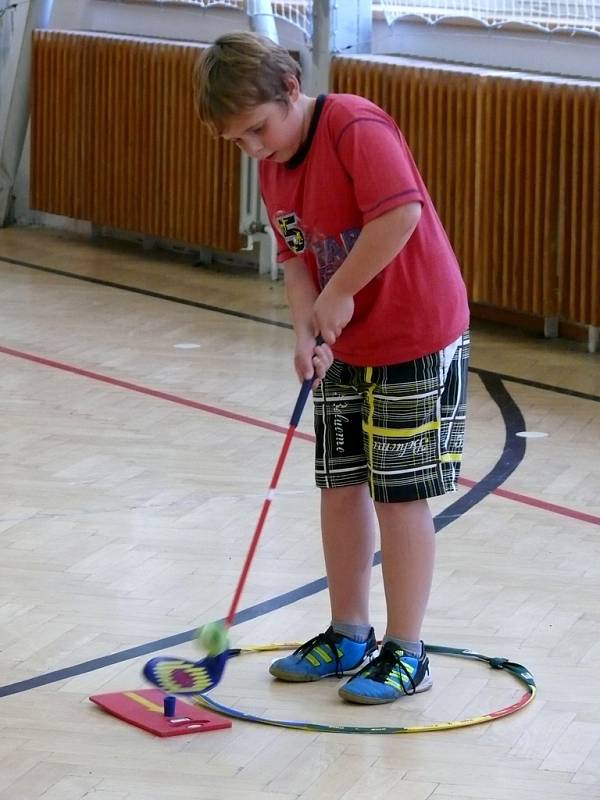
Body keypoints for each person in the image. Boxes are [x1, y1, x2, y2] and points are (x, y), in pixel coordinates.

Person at [194, 31, 470, 705]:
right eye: (238, 142)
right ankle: (349, 633)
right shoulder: (273, 164)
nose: (253, 149)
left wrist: (338, 293)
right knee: (340, 482)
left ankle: (409, 652)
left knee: (398, 491)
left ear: (290, 89)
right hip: (348, 341)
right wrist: (304, 326)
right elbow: (294, 259)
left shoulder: (352, 124)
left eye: (257, 130)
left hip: (414, 329)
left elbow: (400, 215)